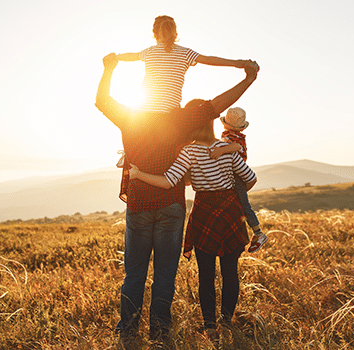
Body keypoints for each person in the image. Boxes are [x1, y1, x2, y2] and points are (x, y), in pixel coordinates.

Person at [95, 52, 259, 346]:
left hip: (139, 205)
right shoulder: (180, 118)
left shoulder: (130, 116)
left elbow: (102, 101)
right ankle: (160, 332)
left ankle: (128, 331)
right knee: (165, 275)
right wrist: (247, 78)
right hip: (172, 206)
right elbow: (216, 106)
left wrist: (109, 69)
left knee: (134, 274)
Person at [128, 116, 257, 342]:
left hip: (204, 213)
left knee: (206, 275)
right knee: (230, 272)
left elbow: (169, 181)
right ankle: (226, 323)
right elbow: (250, 178)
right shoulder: (226, 148)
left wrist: (139, 175)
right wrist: (231, 192)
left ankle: (210, 328)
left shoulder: (189, 152)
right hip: (230, 212)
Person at [116, 15, 248, 113]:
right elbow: (209, 59)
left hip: (144, 111)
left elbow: (131, 56)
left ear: (155, 33)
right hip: (170, 113)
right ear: (175, 33)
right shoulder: (185, 53)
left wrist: (115, 57)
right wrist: (237, 63)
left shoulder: (149, 52)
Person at [209, 107, 268, 252]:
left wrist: (220, 151)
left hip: (237, 175)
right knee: (238, 205)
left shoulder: (234, 138)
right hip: (234, 174)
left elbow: (235, 147)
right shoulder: (230, 135)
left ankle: (258, 233)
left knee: (243, 205)